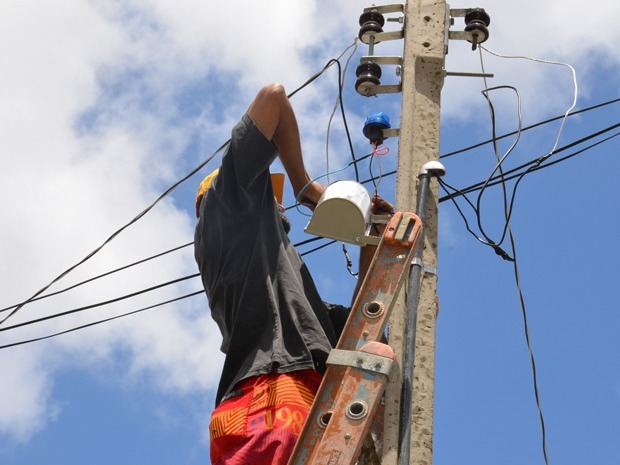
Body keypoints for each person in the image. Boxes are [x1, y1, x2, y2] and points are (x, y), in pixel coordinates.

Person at [194, 83, 392, 465]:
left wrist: (373, 237)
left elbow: (359, 325)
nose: (278, 205)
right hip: (270, 401)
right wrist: (306, 187)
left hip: (292, 405)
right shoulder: (225, 211)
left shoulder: (286, 279)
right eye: (269, 194)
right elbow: (274, 98)